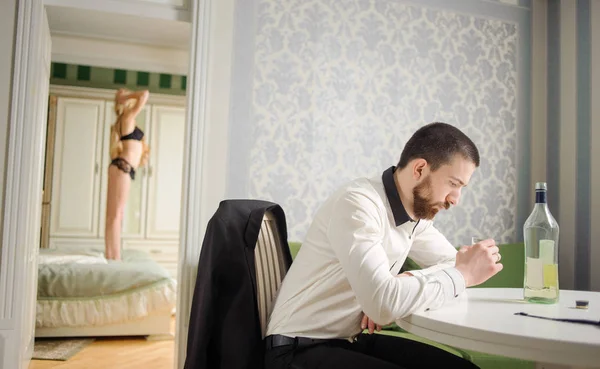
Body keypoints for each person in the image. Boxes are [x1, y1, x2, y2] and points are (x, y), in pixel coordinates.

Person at [264, 122, 503, 369]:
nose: (456, 199)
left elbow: (450, 263)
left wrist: (403, 282)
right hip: (295, 349)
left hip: (345, 340)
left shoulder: (414, 216)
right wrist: (461, 275)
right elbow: (384, 304)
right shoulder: (359, 204)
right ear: (420, 168)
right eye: (453, 184)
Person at [105, 88, 150, 260]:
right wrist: (126, 96)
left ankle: (112, 254)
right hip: (122, 167)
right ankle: (113, 256)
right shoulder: (127, 117)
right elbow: (144, 94)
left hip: (123, 168)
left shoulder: (125, 120)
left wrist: (124, 96)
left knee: (116, 214)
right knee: (116, 215)